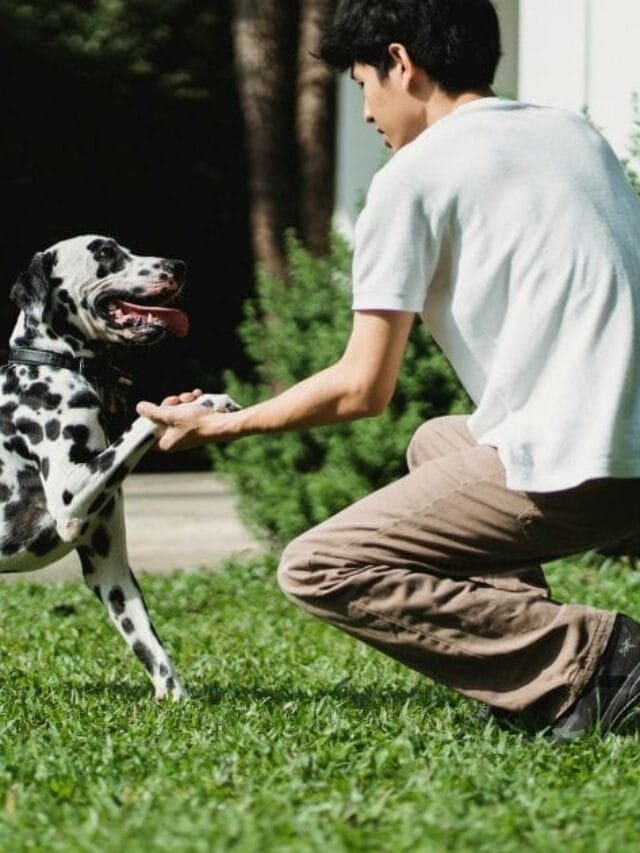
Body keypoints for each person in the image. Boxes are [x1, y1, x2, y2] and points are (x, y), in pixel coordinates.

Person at [137, 0, 640, 741]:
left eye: (362, 82)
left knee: (318, 566)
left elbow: (362, 388)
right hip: (626, 449)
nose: (367, 110)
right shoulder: (570, 132)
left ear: (401, 64)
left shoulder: (414, 178)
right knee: (440, 439)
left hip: (580, 469)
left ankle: (595, 661)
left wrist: (228, 421)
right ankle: (553, 690)